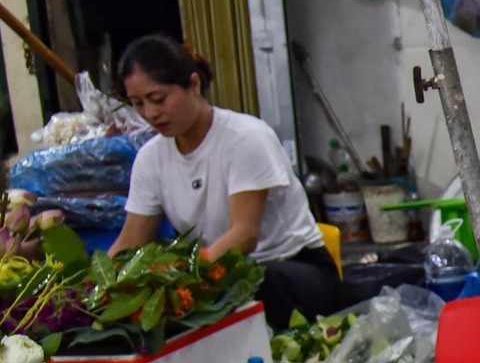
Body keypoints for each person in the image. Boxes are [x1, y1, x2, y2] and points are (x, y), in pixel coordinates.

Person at [109, 35, 341, 329]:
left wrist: (181, 278)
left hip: (292, 274)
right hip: (221, 278)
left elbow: (244, 234)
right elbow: (130, 242)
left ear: (193, 85)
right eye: (137, 103)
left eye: (158, 99)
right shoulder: (150, 158)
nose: (150, 113)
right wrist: (96, 291)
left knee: (255, 286)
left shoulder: (245, 138)